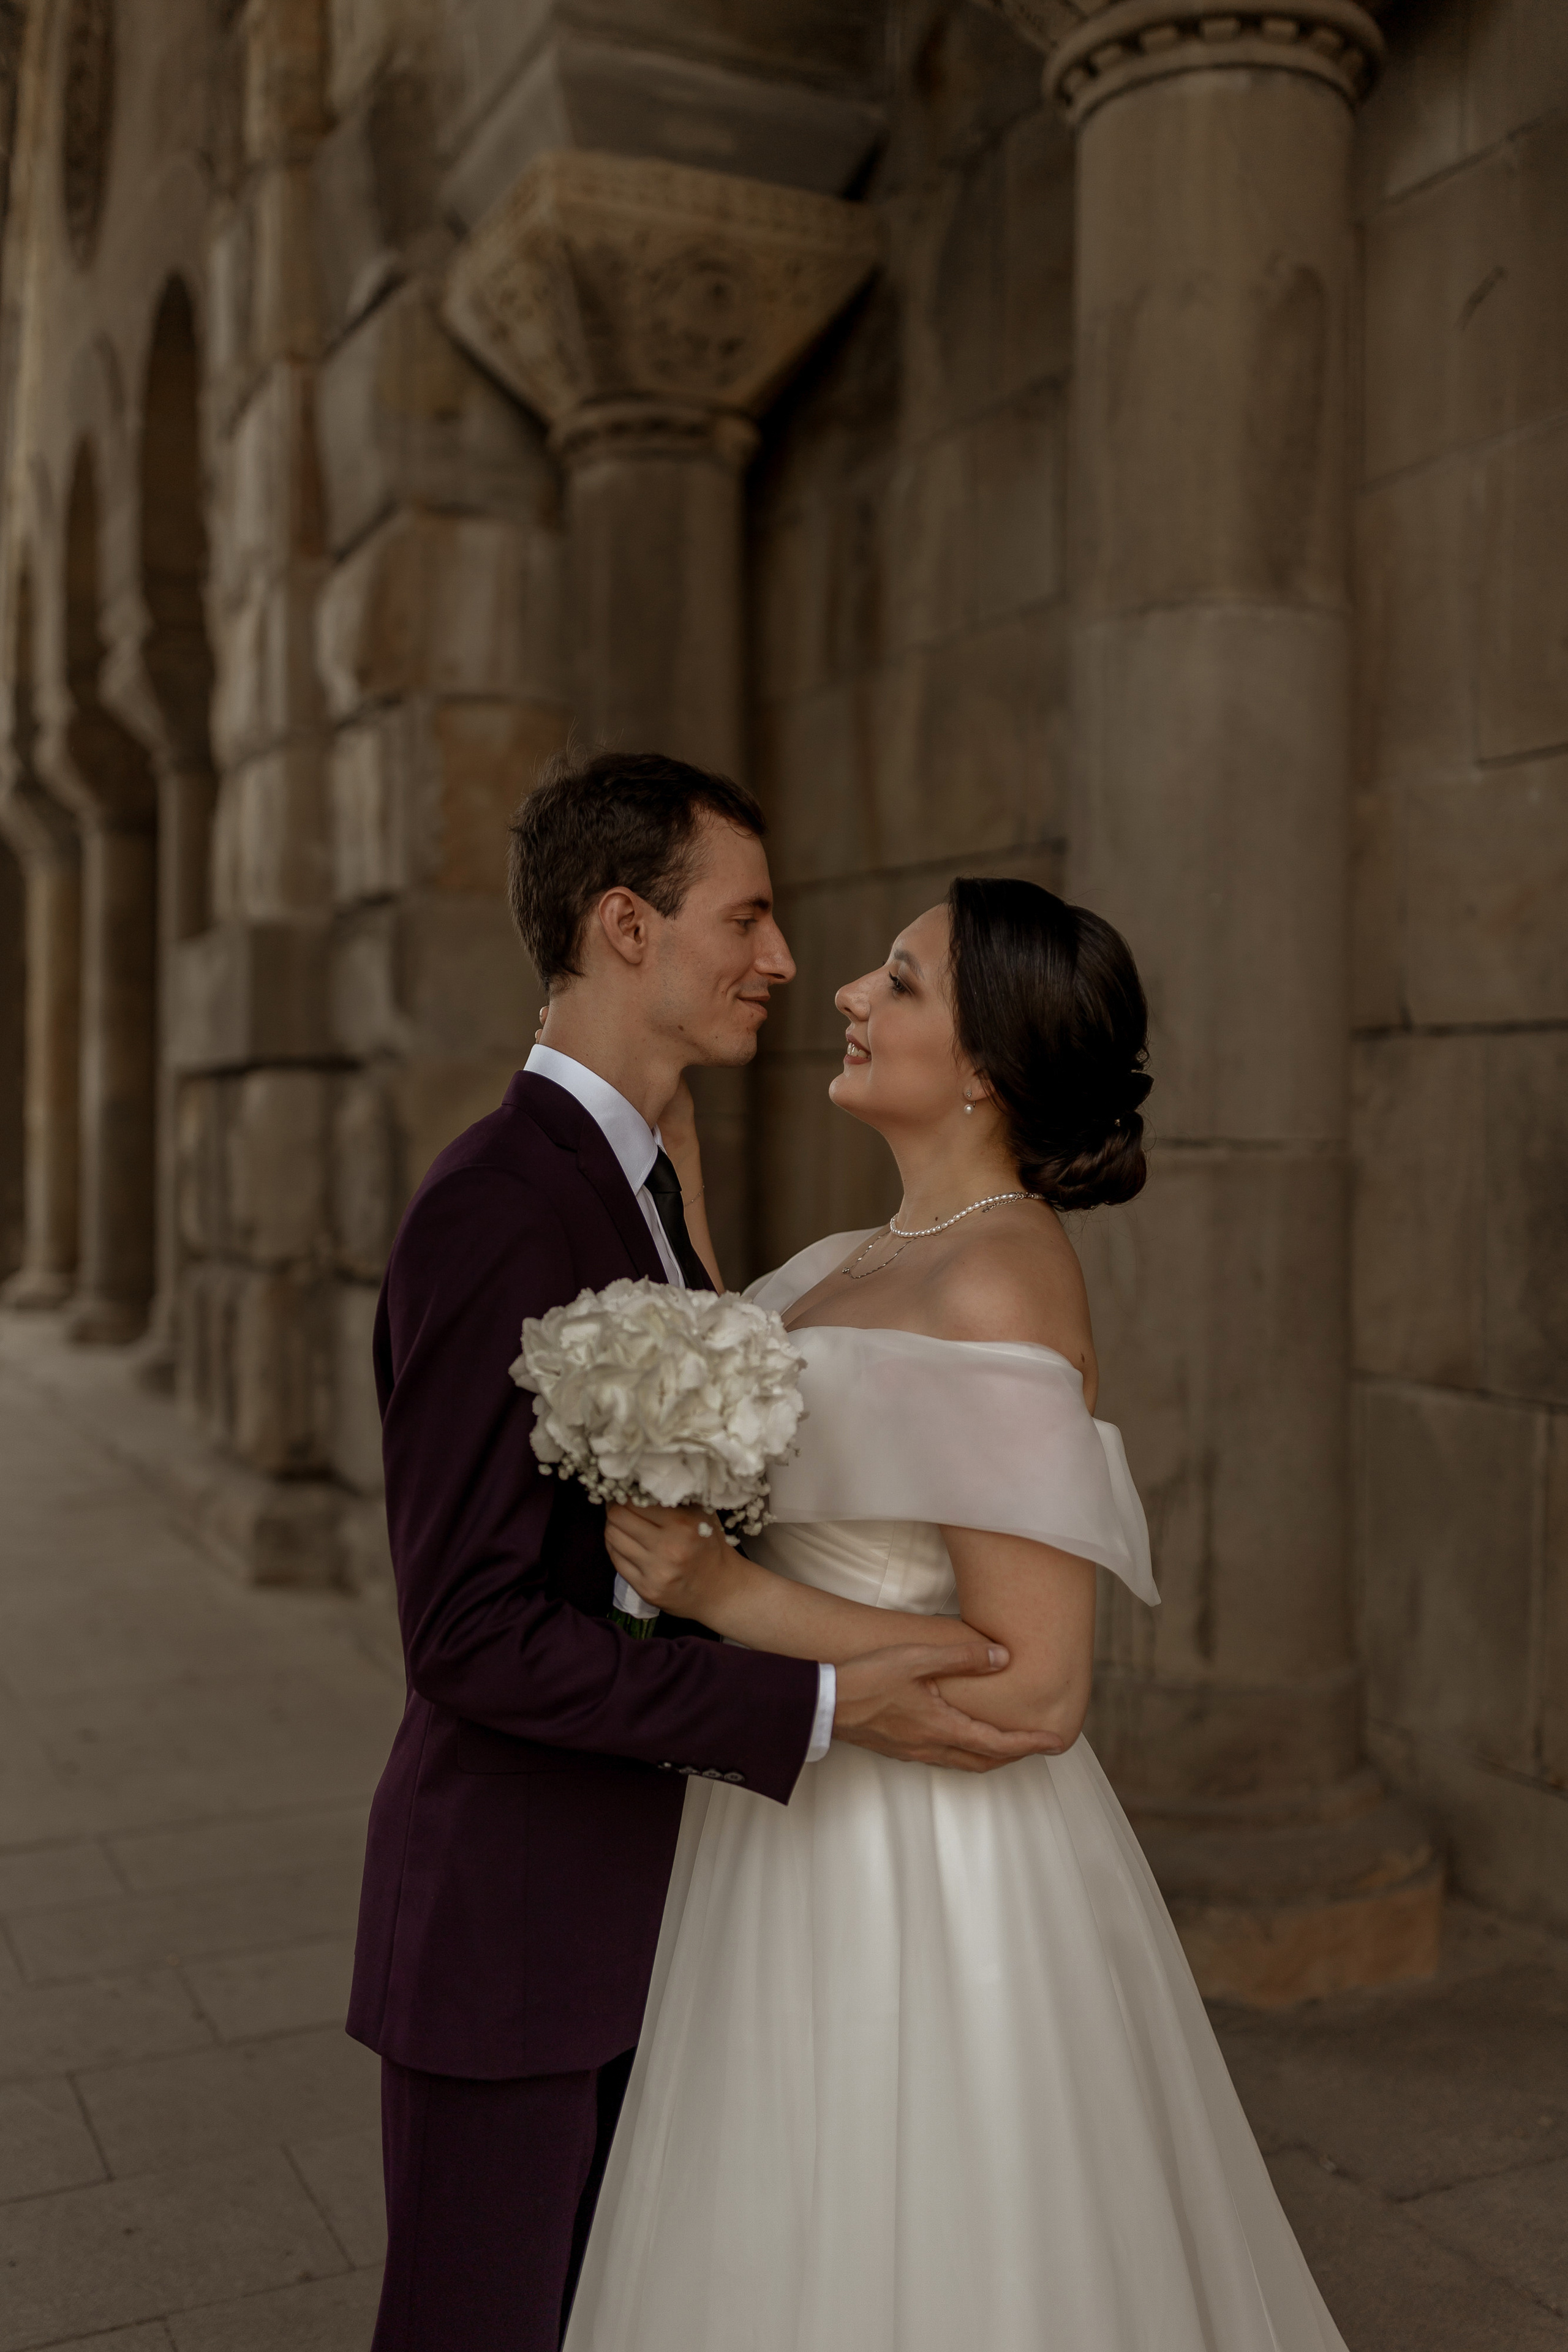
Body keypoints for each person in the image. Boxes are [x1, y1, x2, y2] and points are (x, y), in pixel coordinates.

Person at [568, 876, 1350, 2352]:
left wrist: (721, 1592)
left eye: (901, 981)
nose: (850, 995)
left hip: (919, 1863)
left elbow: (1036, 1693)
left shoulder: (998, 1284)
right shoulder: (855, 1259)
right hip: (778, 1813)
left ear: (984, 1066)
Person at [349, 753, 1059, 2352]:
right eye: (746, 917)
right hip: (515, 1937)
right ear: (625, 925)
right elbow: (464, 1633)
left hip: (664, 1917)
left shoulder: (655, 1191)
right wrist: (818, 1705)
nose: (785, 961)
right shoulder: (498, 1206)